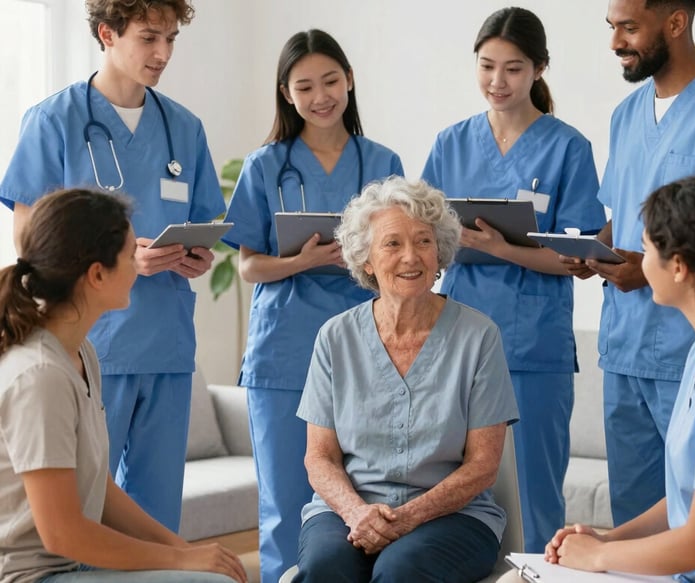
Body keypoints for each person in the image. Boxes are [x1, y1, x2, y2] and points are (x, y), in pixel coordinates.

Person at [0, 0, 224, 533]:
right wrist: (126, 261)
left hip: (167, 342)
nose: (163, 53)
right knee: (86, 509)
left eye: (171, 39)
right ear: (107, 33)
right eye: (149, 38)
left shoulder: (184, 129)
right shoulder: (55, 120)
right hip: (93, 343)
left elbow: (200, 221)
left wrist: (193, 258)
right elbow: (30, 243)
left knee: (157, 514)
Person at [559, 0, 695, 527]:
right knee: (633, 524)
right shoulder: (626, 116)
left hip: (692, 351)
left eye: (629, 28)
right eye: (612, 27)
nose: (615, 43)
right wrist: (593, 251)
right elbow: (623, 218)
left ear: (676, 23)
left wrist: (658, 267)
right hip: (624, 350)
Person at [420, 6, 606, 552]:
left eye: (514, 69)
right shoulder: (449, 144)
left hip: (533, 347)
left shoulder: (567, 148)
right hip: (454, 344)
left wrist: (503, 249)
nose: (497, 82)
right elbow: (421, 238)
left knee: (533, 494)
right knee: (450, 492)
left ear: (539, 70)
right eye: (487, 66)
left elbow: (580, 259)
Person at [222, 30, 403, 583]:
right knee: (283, 497)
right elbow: (249, 265)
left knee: (363, 495)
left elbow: (401, 256)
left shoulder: (382, 160)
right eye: (305, 87)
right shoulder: (265, 165)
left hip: (365, 349)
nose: (320, 96)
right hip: (284, 347)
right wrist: (302, 261)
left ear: (349, 81)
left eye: (330, 81)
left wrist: (359, 261)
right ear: (286, 93)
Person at [0, 188, 247, 583]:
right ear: (97, 274)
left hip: (67, 568)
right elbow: (62, 533)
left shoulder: (81, 353)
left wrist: (182, 549)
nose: (139, 264)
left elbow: (103, 490)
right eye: (131, 253)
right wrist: (182, 562)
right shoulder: (40, 375)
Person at [292, 177, 518, 583]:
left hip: (454, 515)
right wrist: (357, 512)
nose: (411, 257)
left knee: (401, 570)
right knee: (326, 567)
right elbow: (319, 457)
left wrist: (406, 517)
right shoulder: (335, 337)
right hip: (350, 508)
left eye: (424, 242)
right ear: (366, 259)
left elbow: (484, 465)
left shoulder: (479, 336)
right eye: (392, 244)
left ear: (440, 252)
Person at [544, 176, 695, 581]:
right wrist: (606, 541)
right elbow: (689, 500)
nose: (641, 261)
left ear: (679, 266)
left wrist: (596, 559)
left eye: (646, 250)